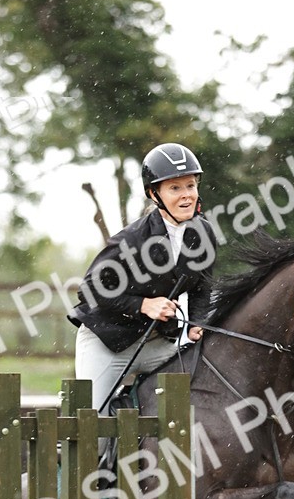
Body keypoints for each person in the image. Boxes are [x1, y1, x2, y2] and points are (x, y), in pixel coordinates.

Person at [69, 142, 217, 412]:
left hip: (158, 343)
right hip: (109, 340)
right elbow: (89, 289)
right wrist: (143, 305)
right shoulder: (132, 239)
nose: (187, 195)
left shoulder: (203, 234)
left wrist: (197, 323)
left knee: (192, 402)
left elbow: (201, 288)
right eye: (175, 188)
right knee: (94, 422)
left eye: (190, 185)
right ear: (153, 193)